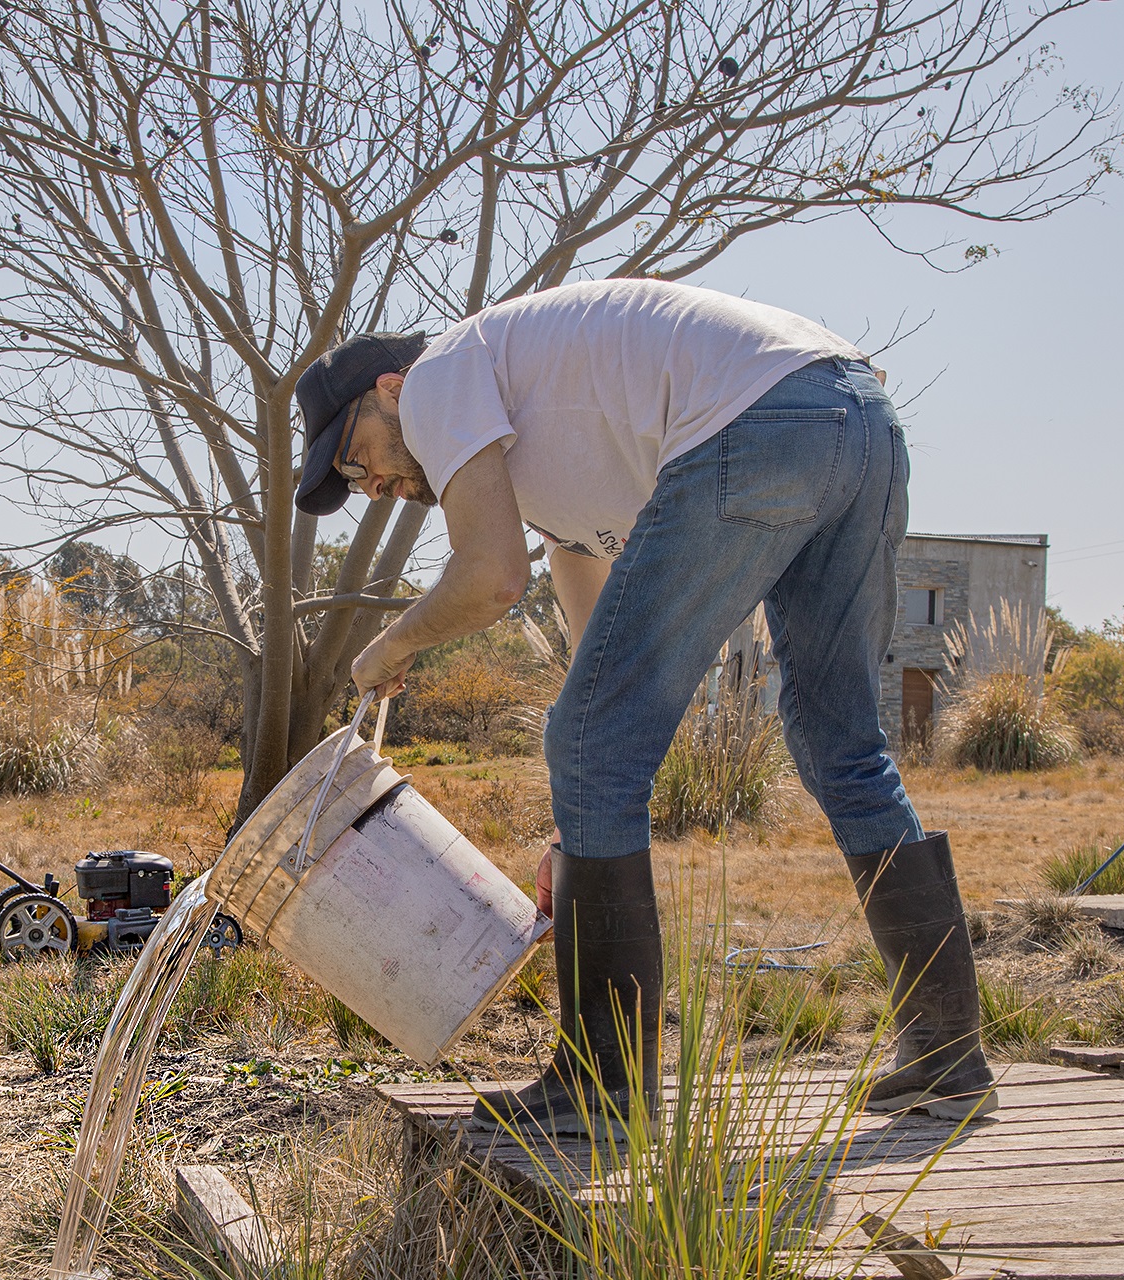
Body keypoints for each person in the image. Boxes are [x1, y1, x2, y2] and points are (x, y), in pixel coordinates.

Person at [292, 278, 998, 1138]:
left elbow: (489, 579)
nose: (369, 485)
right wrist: (573, 829)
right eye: (350, 481)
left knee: (604, 737)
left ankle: (604, 1087)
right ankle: (949, 1054)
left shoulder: (438, 376)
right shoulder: (552, 462)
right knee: (838, 742)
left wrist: (392, 646)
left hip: (766, 419)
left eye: (355, 457)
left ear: (389, 390)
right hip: (859, 421)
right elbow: (601, 684)